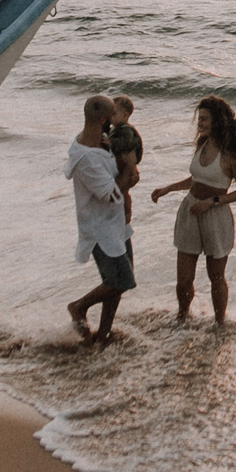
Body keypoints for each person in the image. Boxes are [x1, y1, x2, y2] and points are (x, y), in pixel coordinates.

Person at [151, 95, 236, 324]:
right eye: (200, 118)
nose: (200, 123)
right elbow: (196, 178)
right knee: (183, 279)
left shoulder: (234, 154)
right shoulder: (201, 143)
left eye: (204, 118)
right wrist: (169, 188)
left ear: (218, 120)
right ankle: (182, 317)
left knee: (216, 277)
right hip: (189, 212)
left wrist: (211, 202)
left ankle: (219, 323)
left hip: (215, 216)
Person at [65, 95, 132, 343]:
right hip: (100, 230)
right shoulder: (86, 159)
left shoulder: (99, 144)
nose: (116, 124)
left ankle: (104, 333)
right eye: (112, 117)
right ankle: (79, 307)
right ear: (103, 120)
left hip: (116, 225)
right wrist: (130, 174)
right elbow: (111, 195)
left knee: (114, 283)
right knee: (122, 281)